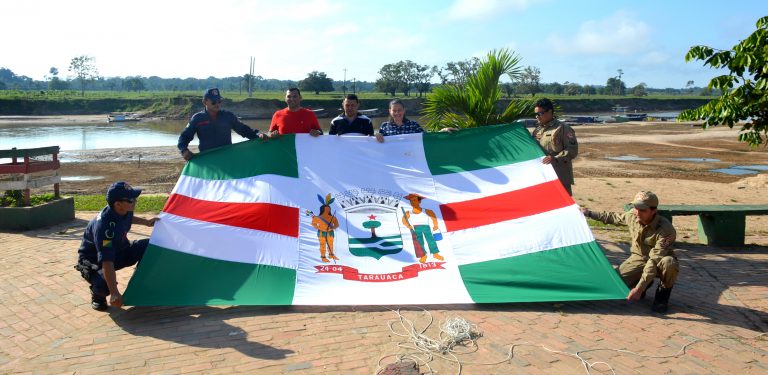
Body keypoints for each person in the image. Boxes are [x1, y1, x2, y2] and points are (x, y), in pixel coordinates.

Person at [581, 191, 679, 313]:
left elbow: (654, 260)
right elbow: (613, 218)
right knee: (614, 284)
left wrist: (639, 289)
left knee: (669, 263)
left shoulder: (666, 229)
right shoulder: (633, 215)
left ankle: (662, 297)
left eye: (642, 210)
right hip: (638, 258)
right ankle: (644, 283)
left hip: (659, 261)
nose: (637, 212)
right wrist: (588, 213)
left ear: (653, 211)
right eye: (636, 207)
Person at [74, 182, 159, 311]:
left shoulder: (122, 209)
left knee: (151, 246)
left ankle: (140, 282)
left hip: (120, 251)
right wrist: (114, 292)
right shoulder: (105, 228)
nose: (134, 201)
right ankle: (98, 295)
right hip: (95, 262)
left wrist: (146, 222)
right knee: (104, 286)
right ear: (118, 204)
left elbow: (129, 217)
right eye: (131, 199)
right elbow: (107, 262)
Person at [177, 88, 269, 160]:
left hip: (227, 158)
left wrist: (258, 134)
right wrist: (184, 150)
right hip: (207, 160)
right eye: (213, 102)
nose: (217, 104)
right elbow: (184, 137)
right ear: (204, 102)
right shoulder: (197, 119)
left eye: (219, 101)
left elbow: (244, 130)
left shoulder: (228, 116)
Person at [531, 98, 578, 195]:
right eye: (536, 114)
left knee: (563, 207)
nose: (537, 117)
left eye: (540, 113)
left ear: (550, 112)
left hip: (559, 175)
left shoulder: (562, 128)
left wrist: (555, 158)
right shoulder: (538, 130)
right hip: (543, 176)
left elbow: (572, 150)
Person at [375, 99, 457, 143]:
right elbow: (378, 142)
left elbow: (427, 137)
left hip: (412, 160)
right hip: (393, 162)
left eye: (399, 110)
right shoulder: (384, 126)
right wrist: (376, 135)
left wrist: (442, 131)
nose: (397, 113)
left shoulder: (413, 125)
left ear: (404, 110)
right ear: (390, 111)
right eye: (394, 110)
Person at [402, 193, 444, 263]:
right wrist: (408, 225)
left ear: (419, 201)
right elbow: (404, 220)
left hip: (426, 227)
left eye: (415, 200)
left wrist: (435, 225)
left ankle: (435, 253)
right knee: (419, 242)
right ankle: (423, 255)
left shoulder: (426, 210)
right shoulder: (408, 212)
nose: (413, 202)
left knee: (431, 240)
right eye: (411, 201)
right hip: (416, 228)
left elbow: (433, 217)